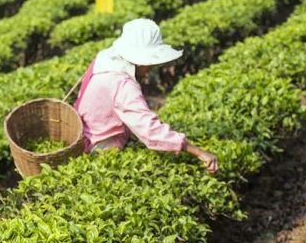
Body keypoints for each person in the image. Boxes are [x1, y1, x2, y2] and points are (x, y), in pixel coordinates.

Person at [73, 18, 218, 174]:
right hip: (97, 145)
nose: (153, 65)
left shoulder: (106, 57)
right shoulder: (121, 82)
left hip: (83, 130)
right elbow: (149, 130)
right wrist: (197, 151)